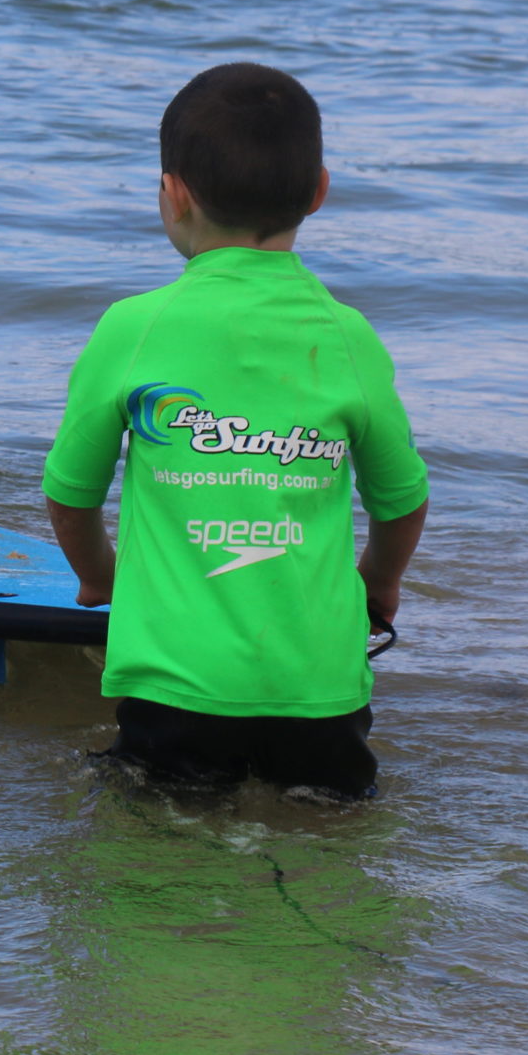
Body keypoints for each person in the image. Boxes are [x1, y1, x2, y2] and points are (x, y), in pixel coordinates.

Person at [40, 64, 430, 798]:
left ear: (173, 193)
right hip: (322, 693)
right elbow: (401, 500)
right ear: (318, 189)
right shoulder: (349, 336)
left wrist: (99, 575)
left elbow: (70, 493)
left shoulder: (134, 327)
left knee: (151, 849)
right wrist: (379, 583)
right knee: (327, 839)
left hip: (177, 686)